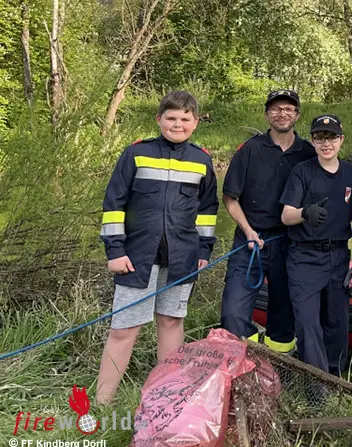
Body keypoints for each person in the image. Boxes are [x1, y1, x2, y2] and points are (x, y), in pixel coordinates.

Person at [96, 91, 219, 404]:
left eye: (185, 119)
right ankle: (102, 402)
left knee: (171, 321)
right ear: (159, 120)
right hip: (135, 257)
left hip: (182, 257)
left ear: (195, 123)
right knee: (124, 329)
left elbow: (207, 211)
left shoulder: (202, 160)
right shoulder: (136, 153)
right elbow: (113, 204)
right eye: (171, 118)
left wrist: (203, 252)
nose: (177, 124)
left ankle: (165, 397)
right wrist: (114, 251)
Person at [219, 89, 316, 353]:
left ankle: (278, 368)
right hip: (250, 242)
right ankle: (247, 361)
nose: (282, 113)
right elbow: (230, 198)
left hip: (290, 243)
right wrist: (248, 231)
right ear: (266, 114)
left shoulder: (308, 153)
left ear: (297, 114)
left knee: (284, 322)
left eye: (288, 109)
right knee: (232, 314)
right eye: (276, 109)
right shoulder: (250, 150)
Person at [279, 114, 352, 375]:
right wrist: (305, 212)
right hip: (305, 257)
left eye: (331, 138)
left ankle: (335, 377)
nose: (326, 144)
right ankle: (317, 386)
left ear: (341, 140)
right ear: (313, 141)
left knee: (336, 322)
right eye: (319, 138)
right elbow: (286, 215)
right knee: (307, 323)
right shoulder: (302, 172)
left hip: (338, 256)